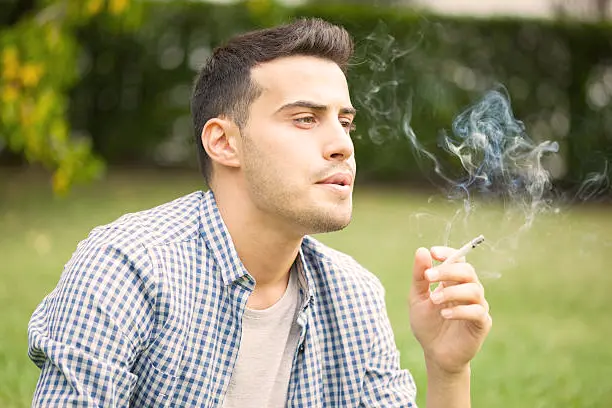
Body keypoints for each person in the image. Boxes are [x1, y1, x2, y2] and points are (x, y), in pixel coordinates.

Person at [28, 18, 491, 407]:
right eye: (305, 119)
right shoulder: (126, 270)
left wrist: (447, 370)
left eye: (345, 122)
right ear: (224, 142)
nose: (342, 145)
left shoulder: (353, 296)